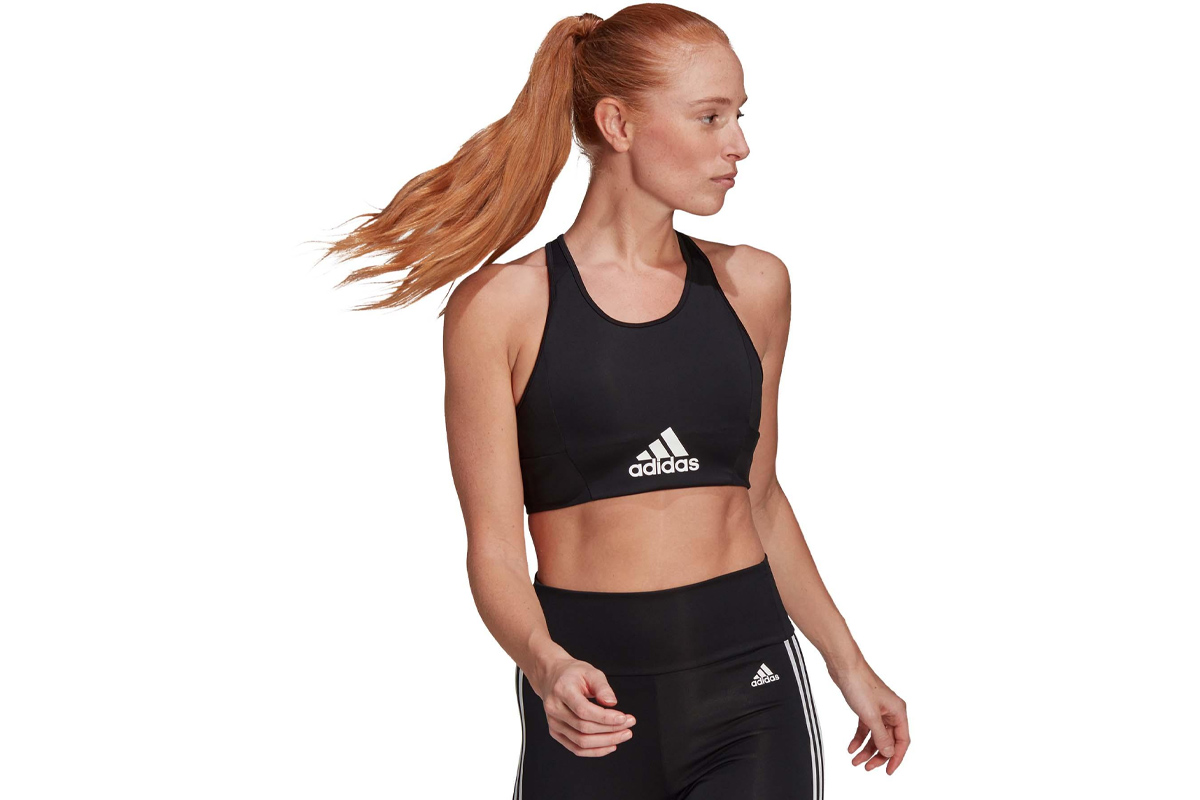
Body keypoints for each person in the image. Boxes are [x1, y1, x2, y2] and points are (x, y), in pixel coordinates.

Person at [319, 5, 909, 797]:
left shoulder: (755, 286)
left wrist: (851, 666)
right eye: (710, 117)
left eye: (740, 116)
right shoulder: (501, 307)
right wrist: (546, 664)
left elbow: (760, 499)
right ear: (618, 123)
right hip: (588, 703)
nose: (739, 144)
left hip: (752, 694)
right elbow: (495, 551)